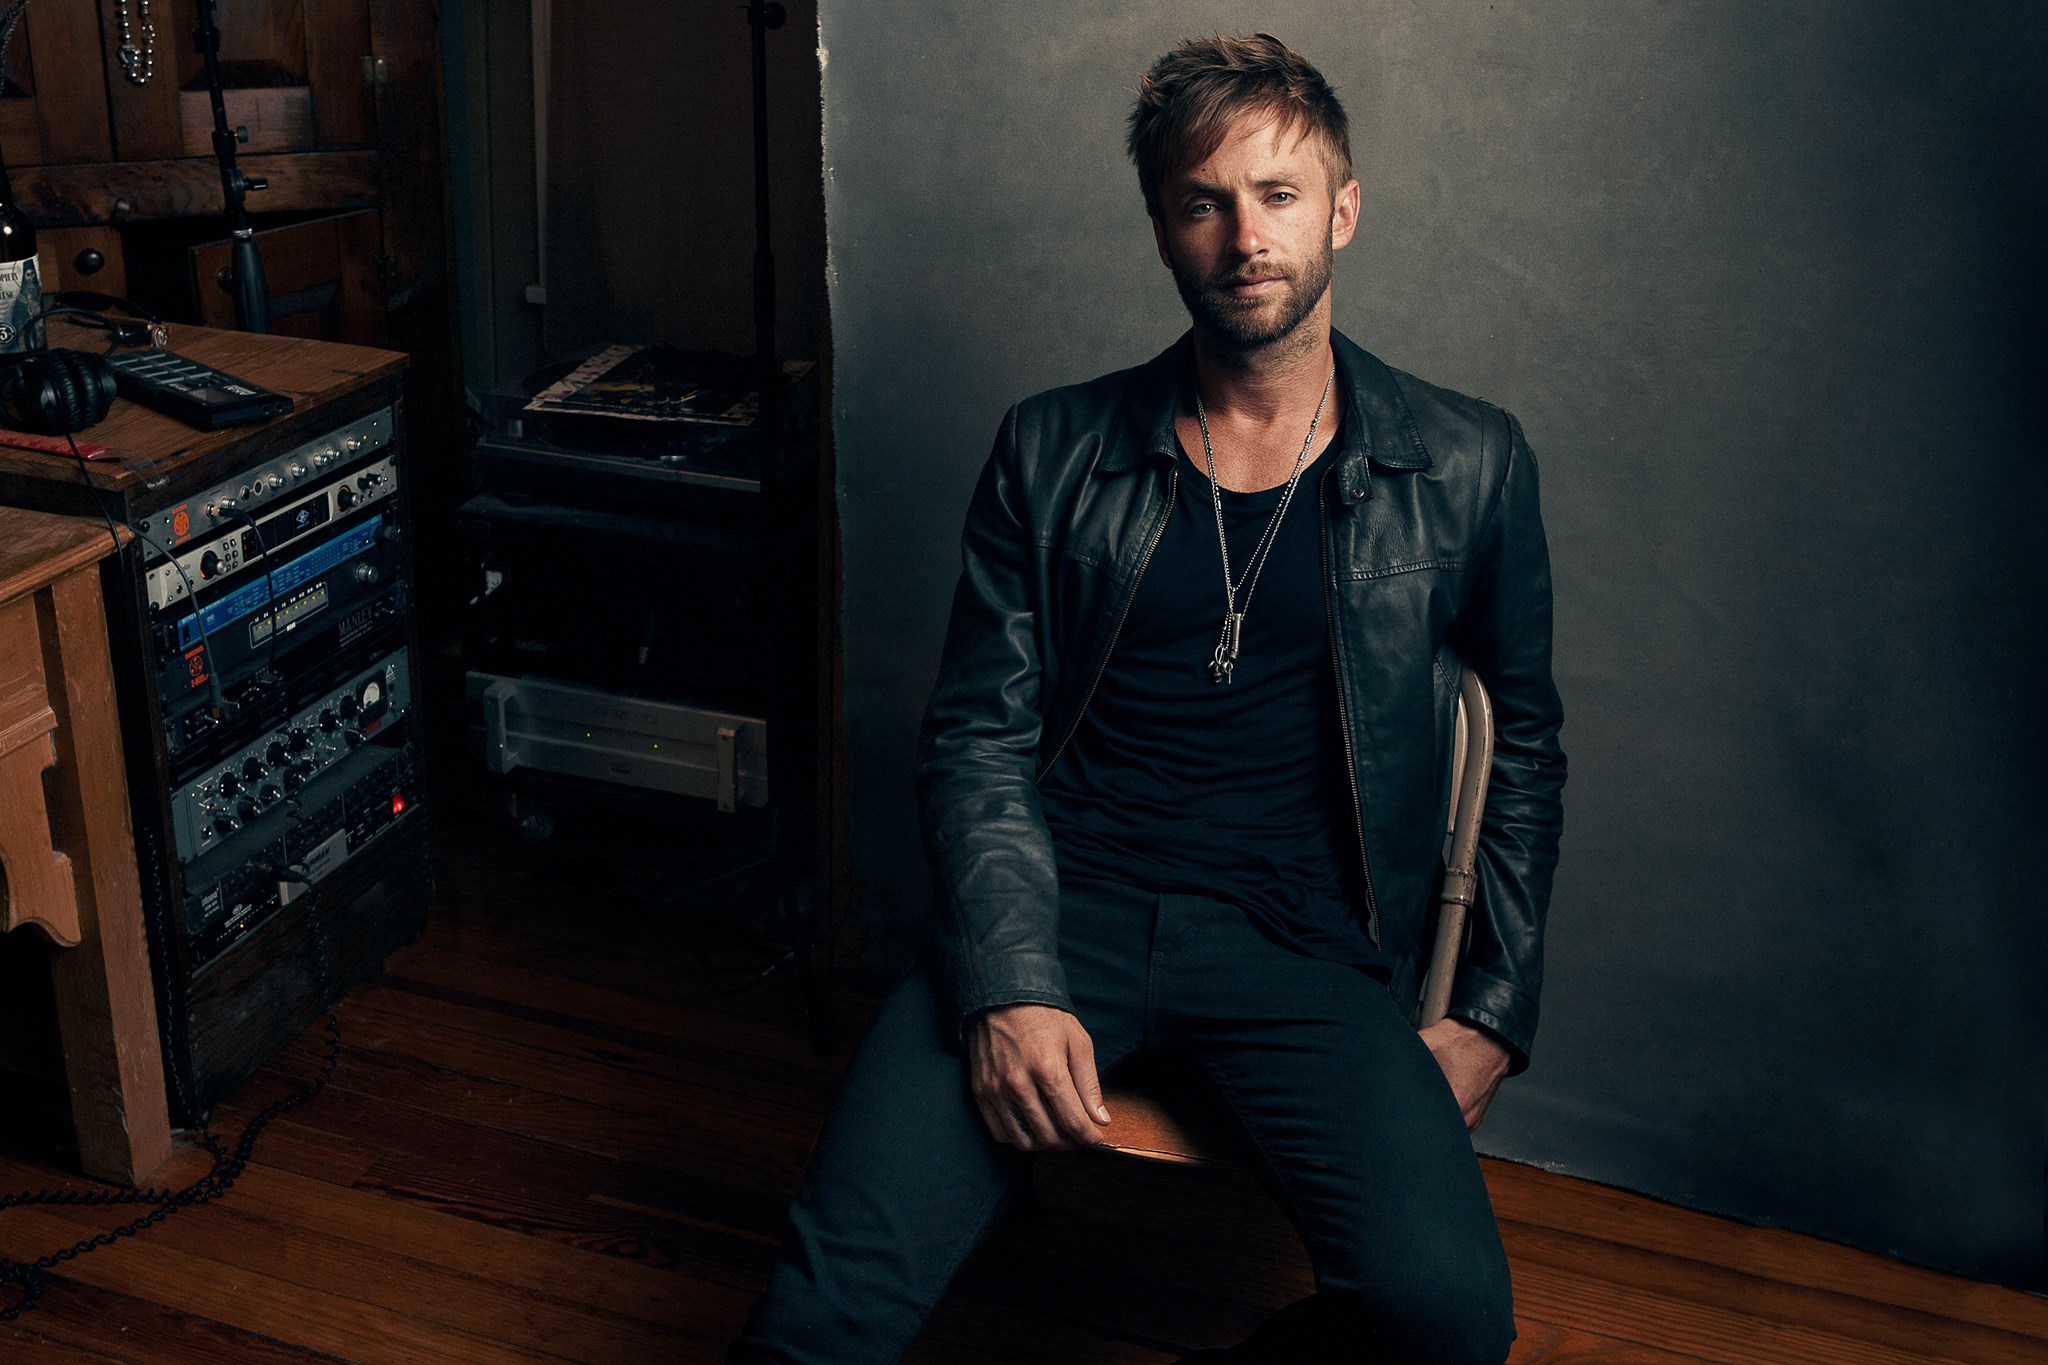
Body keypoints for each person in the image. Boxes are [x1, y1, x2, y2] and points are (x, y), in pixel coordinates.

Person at [732, 32, 1565, 1365]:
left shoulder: (1467, 462)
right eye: (1203, 202)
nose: (1246, 237)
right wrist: (1008, 980)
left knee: (1448, 1321)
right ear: (1162, 230)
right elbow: (978, 735)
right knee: (818, 1323)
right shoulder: (1052, 448)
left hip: (1301, 943)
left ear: (1344, 210)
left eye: (1279, 194)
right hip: (1062, 903)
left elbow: (1521, 741)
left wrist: (1489, 1015)